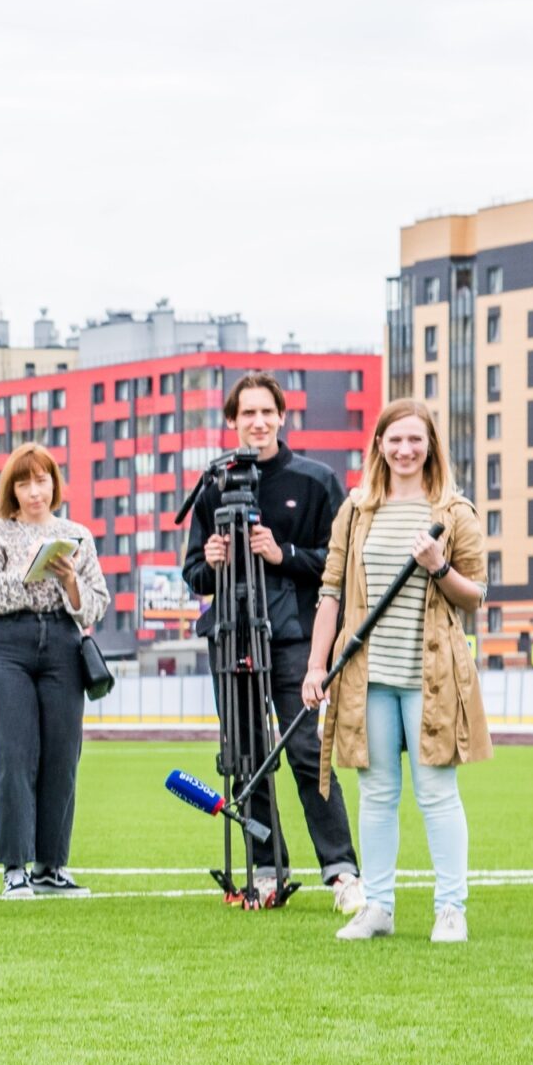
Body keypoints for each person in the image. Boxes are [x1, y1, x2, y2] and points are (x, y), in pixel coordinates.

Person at [303, 399, 490, 943]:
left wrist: (440, 567)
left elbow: (475, 594)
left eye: (415, 439)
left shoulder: (455, 511)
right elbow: (330, 592)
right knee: (376, 792)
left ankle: (450, 907)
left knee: (436, 793)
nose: (405, 450)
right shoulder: (357, 509)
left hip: (432, 677)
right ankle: (378, 907)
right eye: (395, 440)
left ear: (430, 444)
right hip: (368, 678)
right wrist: (318, 666)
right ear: (379, 446)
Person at [180, 372, 362, 912]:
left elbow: (341, 565)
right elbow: (193, 574)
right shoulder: (214, 483)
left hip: (294, 640)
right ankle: (266, 868)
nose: (257, 422)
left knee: (307, 752)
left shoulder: (315, 480)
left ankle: (342, 870)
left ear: (282, 416)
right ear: (232, 422)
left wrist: (283, 555)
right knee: (247, 757)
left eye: (267, 412)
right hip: (230, 635)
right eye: (246, 414)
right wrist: (210, 563)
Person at [0, 443, 111, 899]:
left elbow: (97, 603)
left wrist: (69, 580)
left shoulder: (77, 534)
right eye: (24, 482)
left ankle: (51, 865)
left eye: (43, 480)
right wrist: (30, 572)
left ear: (55, 484)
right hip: (5, 645)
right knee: (12, 754)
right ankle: (14, 866)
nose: (35, 491)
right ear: (11, 488)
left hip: (63, 647)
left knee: (62, 756)